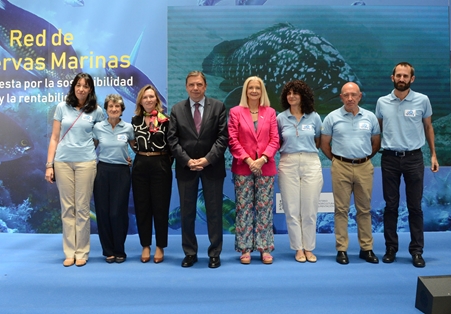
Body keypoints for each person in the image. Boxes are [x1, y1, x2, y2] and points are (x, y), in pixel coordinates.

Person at [375, 62, 439, 268]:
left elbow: (428, 127)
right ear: (392, 77)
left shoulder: (423, 100)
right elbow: (380, 129)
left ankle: (416, 251)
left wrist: (434, 156)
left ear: (412, 79)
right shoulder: (382, 102)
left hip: (414, 158)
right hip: (390, 158)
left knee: (415, 207)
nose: (401, 79)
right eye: (398, 75)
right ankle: (391, 248)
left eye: (406, 76)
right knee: (390, 206)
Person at [167, 71, 228, 269]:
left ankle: (214, 253)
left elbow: (222, 138)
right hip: (187, 169)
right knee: (187, 213)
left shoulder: (218, 107)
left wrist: (207, 159)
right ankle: (190, 252)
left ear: (205, 86)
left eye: (199, 84)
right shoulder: (177, 109)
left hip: (212, 167)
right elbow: (172, 140)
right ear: (186, 87)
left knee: (214, 212)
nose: (195, 88)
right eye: (192, 84)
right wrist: (187, 161)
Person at [45, 72, 104, 267]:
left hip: (86, 162)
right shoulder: (62, 107)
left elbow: (98, 138)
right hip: (62, 162)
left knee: (83, 208)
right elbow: (54, 137)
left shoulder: (96, 111)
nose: (81, 89)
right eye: (78, 85)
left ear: (90, 89)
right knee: (67, 208)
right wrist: (49, 165)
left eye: (85, 86)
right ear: (73, 87)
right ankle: (69, 251)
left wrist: (84, 148)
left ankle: (82, 252)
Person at [321, 82, 380, 265]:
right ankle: (342, 249)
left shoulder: (370, 117)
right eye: (346, 95)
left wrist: (361, 158)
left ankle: (366, 248)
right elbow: (324, 144)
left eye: (353, 95)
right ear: (341, 97)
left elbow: (375, 143)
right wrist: (339, 161)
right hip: (340, 166)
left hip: (364, 166)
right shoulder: (332, 118)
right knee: (341, 210)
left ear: (360, 96)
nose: (350, 98)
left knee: (364, 210)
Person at [228, 76, 279, 265]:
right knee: (244, 209)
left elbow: (275, 139)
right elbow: (232, 140)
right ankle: (245, 248)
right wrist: (250, 160)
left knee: (264, 209)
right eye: (251, 88)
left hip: (266, 167)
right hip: (243, 167)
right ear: (246, 91)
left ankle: (265, 248)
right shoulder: (235, 112)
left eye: (258, 88)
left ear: (262, 91)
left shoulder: (271, 112)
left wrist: (263, 159)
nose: (255, 91)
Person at [277, 80, 323, 263]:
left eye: (295, 93)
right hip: (288, 162)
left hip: (311, 162)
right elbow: (278, 141)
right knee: (292, 209)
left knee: (310, 209)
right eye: (288, 93)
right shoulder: (280, 118)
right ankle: (298, 248)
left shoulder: (315, 117)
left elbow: (318, 141)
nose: (291, 96)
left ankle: (309, 248)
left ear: (303, 95)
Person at [131, 85, 173, 264]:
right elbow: (133, 143)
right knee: (142, 207)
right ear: (140, 100)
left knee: (160, 207)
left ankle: (160, 246)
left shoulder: (166, 120)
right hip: (140, 166)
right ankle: (145, 245)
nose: (148, 100)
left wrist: (162, 161)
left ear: (157, 99)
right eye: (145, 97)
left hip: (161, 166)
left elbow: (172, 146)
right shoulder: (135, 120)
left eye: (151, 97)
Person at [93, 94, 135, 264]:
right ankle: (108, 250)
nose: (114, 109)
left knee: (117, 212)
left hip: (122, 172)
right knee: (102, 212)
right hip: (102, 171)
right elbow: (91, 148)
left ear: (122, 109)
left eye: (117, 107)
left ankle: (119, 250)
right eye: (111, 106)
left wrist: (131, 158)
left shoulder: (128, 128)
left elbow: (136, 147)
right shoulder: (98, 128)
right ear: (106, 108)